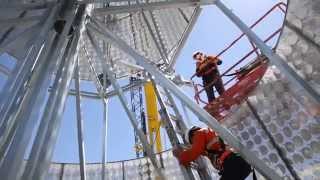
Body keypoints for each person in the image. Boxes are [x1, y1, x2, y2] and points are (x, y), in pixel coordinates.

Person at [173, 126, 252, 180]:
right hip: (240, 163)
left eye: (192, 142)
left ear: (192, 135)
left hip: (231, 163)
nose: (193, 143)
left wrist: (180, 156)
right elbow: (202, 150)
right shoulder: (210, 134)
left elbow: (195, 151)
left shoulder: (198, 133)